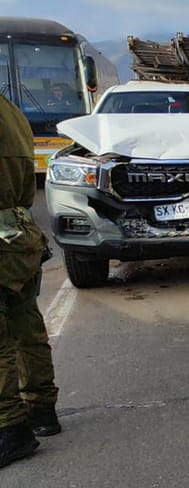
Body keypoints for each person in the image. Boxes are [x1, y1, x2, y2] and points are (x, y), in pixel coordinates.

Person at [0, 93, 61, 469]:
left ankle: (10, 428)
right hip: (19, 234)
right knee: (27, 323)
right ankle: (42, 411)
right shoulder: (13, 112)